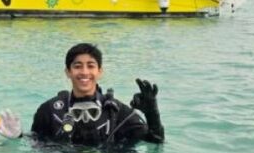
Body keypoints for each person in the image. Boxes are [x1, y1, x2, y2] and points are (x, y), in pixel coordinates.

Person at [31, 43, 164, 146]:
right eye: (77, 66)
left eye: (90, 66)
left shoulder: (117, 112)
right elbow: (34, 144)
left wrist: (151, 113)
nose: (84, 72)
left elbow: (156, 141)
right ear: (68, 72)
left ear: (100, 71)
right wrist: (16, 137)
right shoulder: (50, 111)